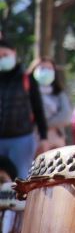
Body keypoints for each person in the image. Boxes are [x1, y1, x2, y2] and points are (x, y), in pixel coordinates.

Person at [0, 39, 47, 178]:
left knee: (20, 180)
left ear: (13, 53)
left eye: (5, 55)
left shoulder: (26, 79)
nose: (2, 59)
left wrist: (43, 137)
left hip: (21, 139)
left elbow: (38, 109)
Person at [27, 59, 72, 153]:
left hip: (55, 138)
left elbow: (66, 116)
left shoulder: (59, 93)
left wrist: (42, 125)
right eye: (42, 68)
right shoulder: (25, 92)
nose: (46, 71)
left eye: (49, 68)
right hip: (30, 137)